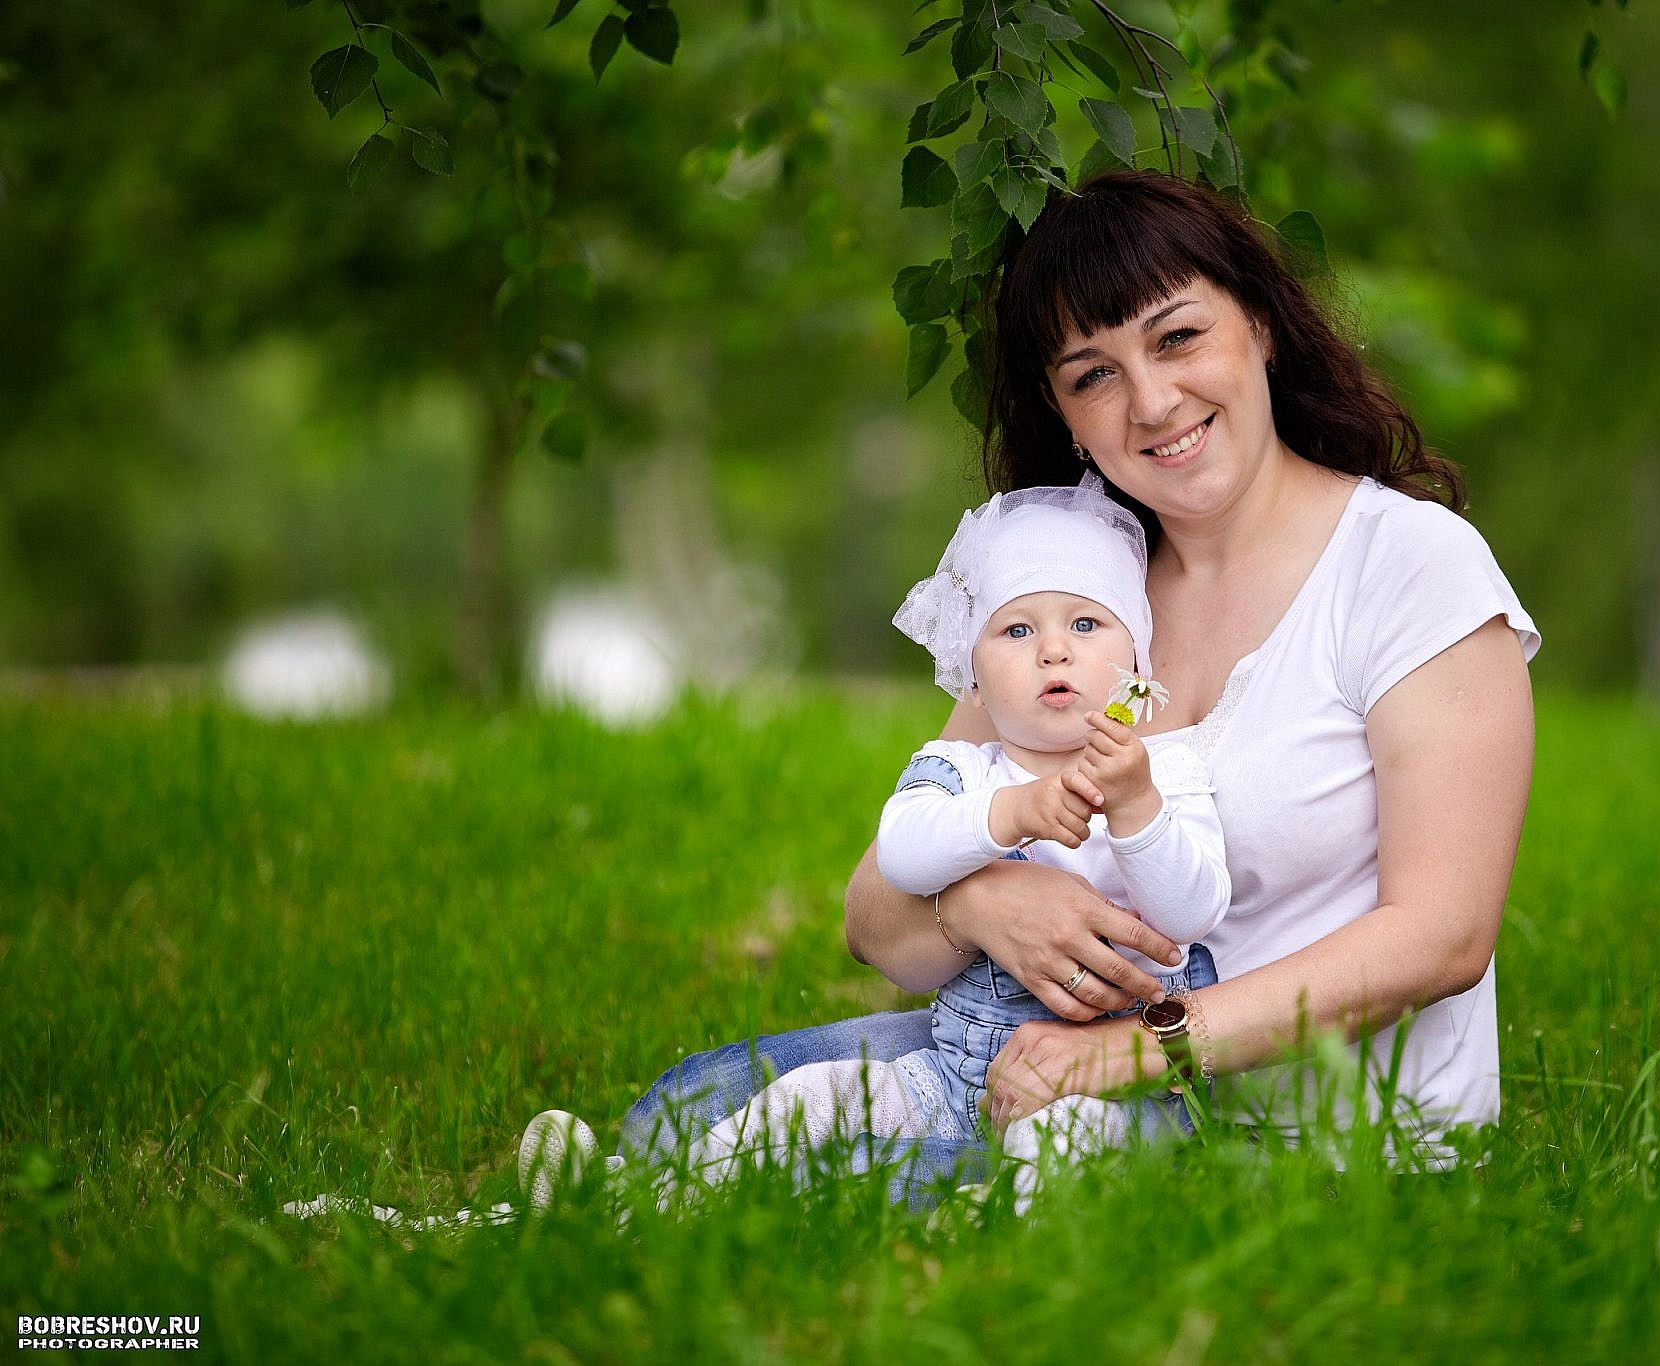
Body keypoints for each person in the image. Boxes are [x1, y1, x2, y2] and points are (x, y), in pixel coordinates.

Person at [604, 168, 1539, 1204]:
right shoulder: (1074, 598)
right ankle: (594, 1201)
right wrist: (980, 902)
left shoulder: (1407, 565)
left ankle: (612, 1209)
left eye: (1177, 338)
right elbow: (874, 918)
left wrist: (1135, 1049)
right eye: (1093, 374)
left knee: (818, 1173)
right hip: (1044, 1064)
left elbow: (1442, 936)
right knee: (702, 1099)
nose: (1152, 401)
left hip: (1307, 1139)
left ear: (1263, 327)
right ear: (1062, 413)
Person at [592, 474, 1232, 1212]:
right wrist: (1011, 813)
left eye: (1087, 625)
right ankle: (642, 1193)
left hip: (1120, 1090)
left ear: (1137, 665)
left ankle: (990, 1219)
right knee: (809, 1095)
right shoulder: (961, 769)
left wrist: (1136, 810)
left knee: (1065, 1140)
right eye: (1016, 631)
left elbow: (1192, 913)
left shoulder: (1165, 772)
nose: (1054, 651)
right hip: (956, 1074)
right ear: (973, 680)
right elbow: (902, 854)